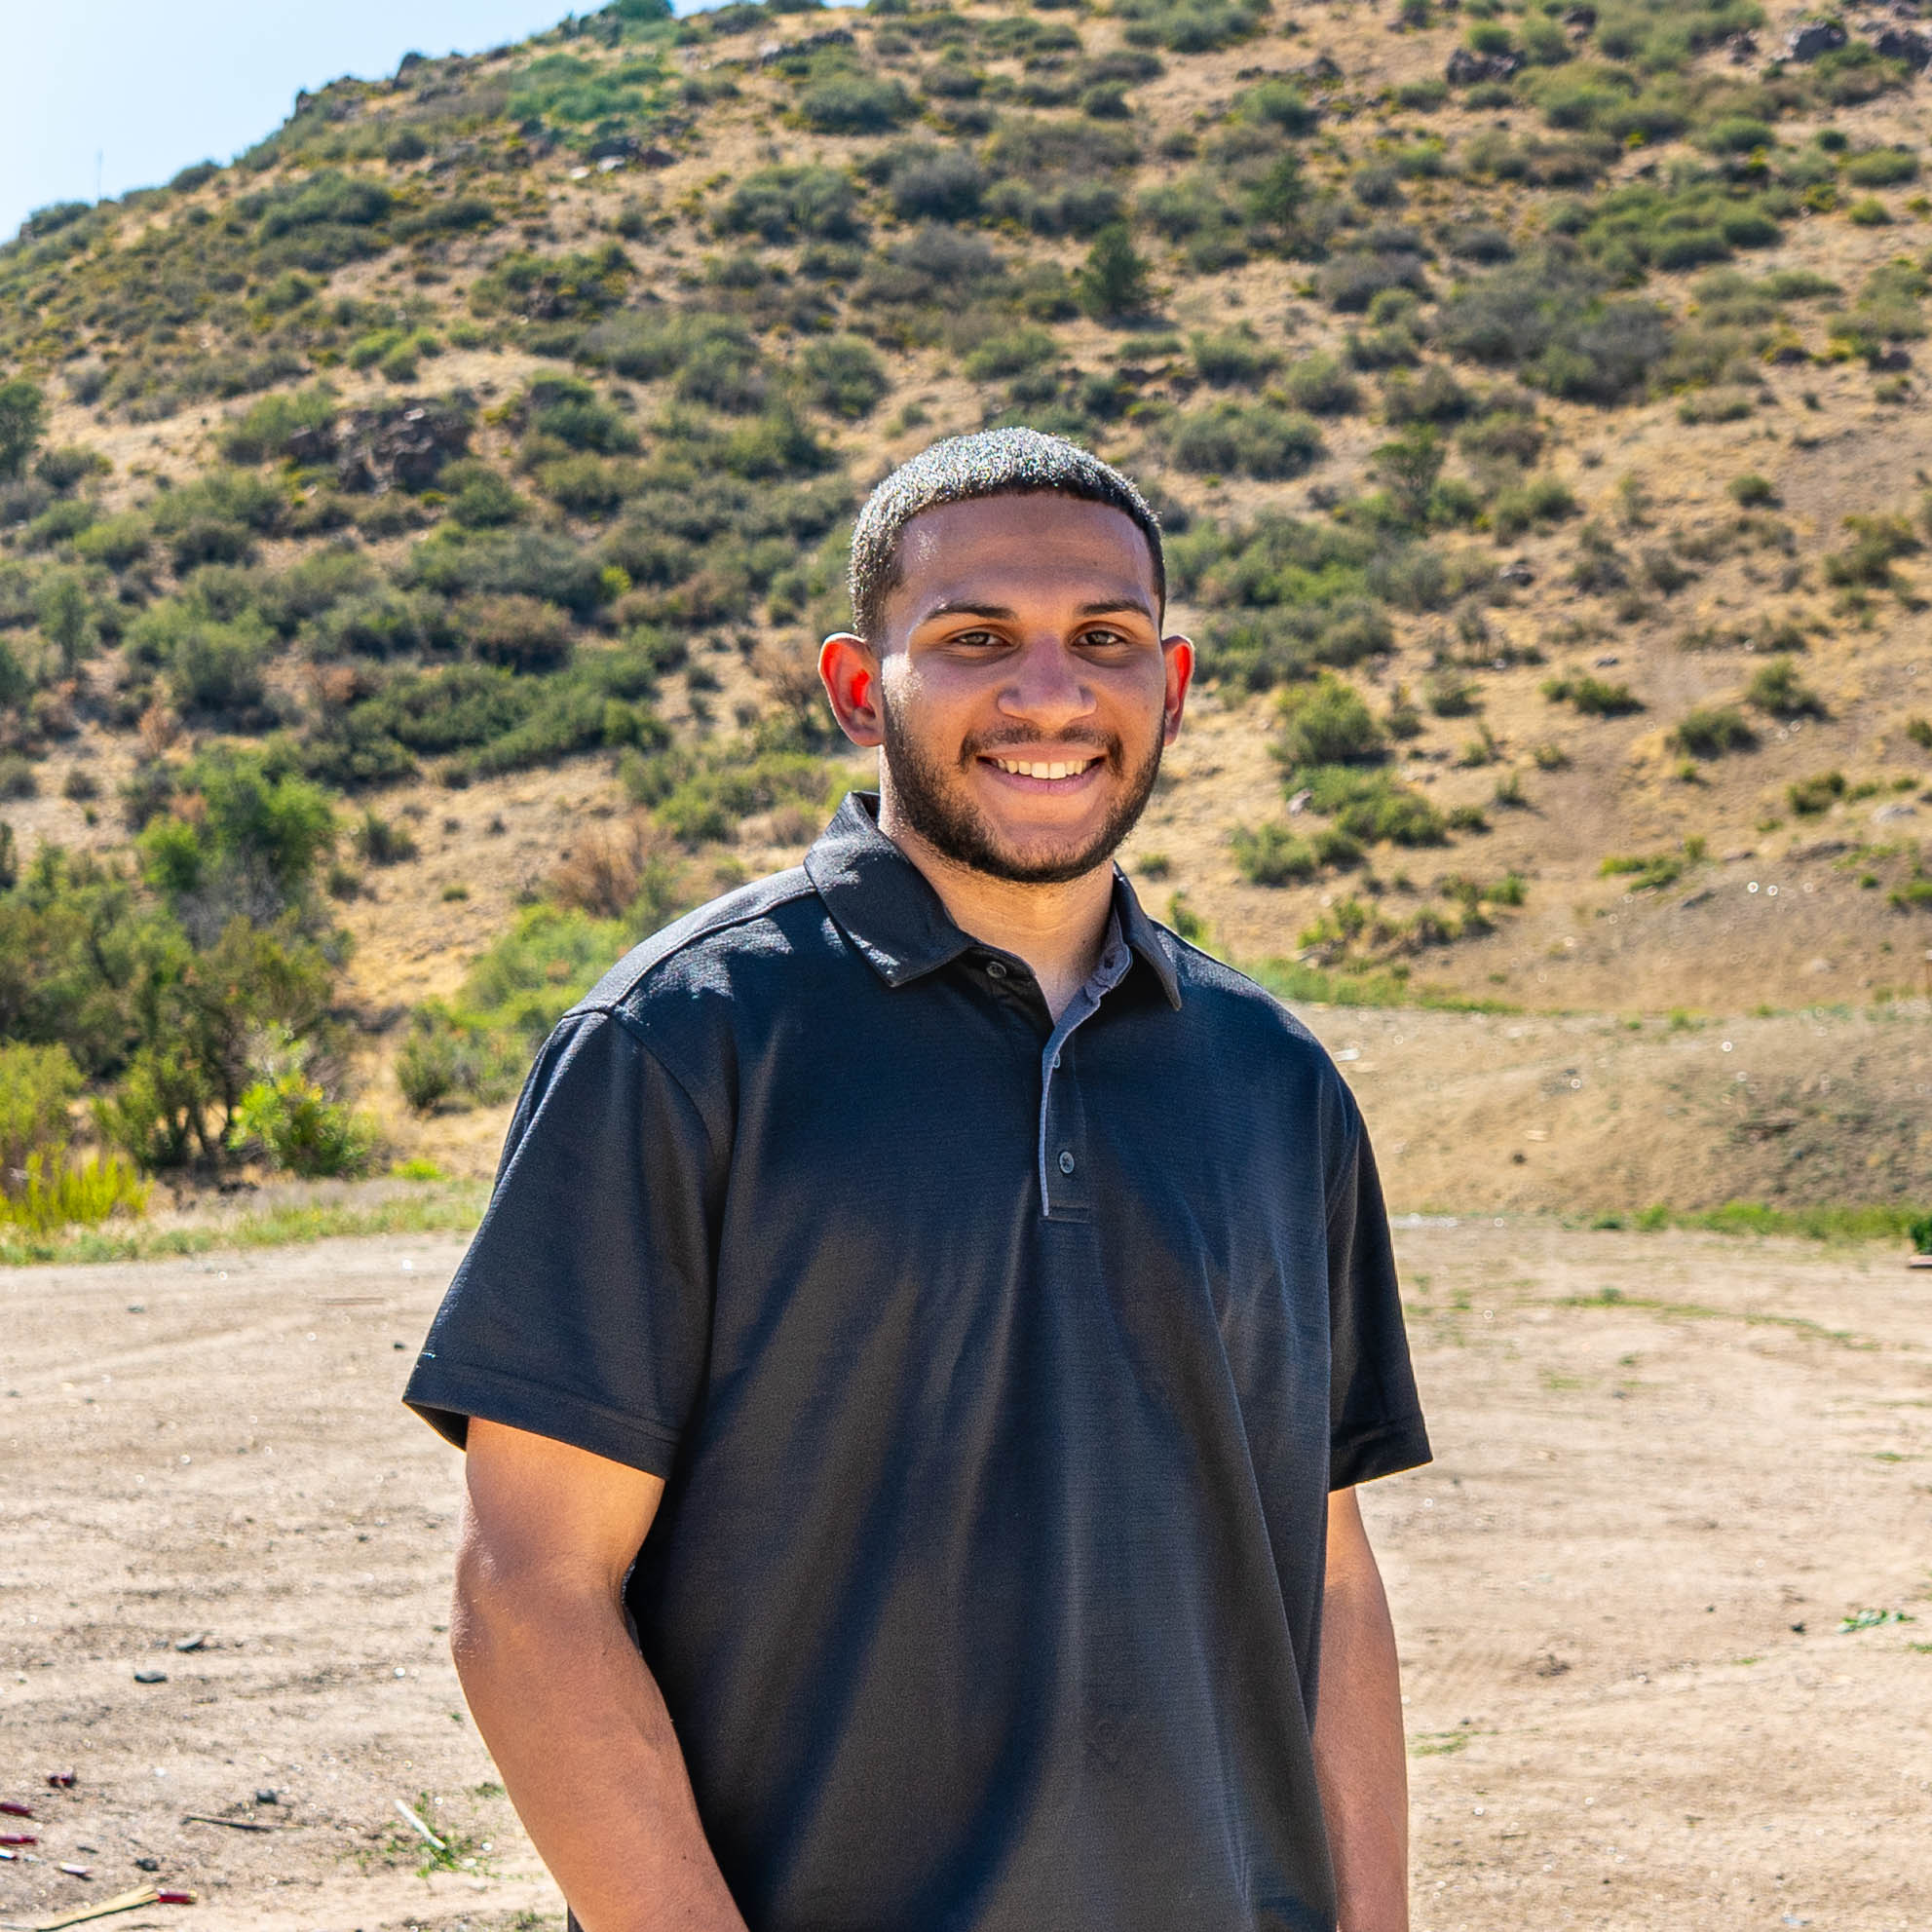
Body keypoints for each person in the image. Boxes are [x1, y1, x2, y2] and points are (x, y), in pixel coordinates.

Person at [404, 429, 1431, 1932]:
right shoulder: (684, 1043)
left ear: (1174, 686)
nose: (1049, 693)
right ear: (853, 688)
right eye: (973, 639)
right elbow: (528, 1594)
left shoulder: (1276, 1085)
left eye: (1104, 640)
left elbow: (1327, 1579)